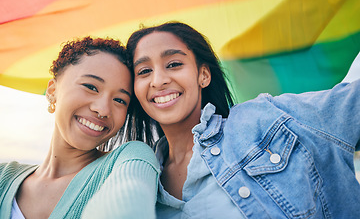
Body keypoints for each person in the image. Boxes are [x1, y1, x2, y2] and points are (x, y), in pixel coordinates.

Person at [126, 22, 360, 218]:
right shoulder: (139, 183)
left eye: (174, 64)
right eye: (144, 71)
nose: (158, 80)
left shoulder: (264, 119)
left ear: (203, 75)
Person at [0, 36, 160, 219]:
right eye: (91, 87)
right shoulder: (3, 177)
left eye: (119, 100)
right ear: (52, 91)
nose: (103, 109)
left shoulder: (129, 159)